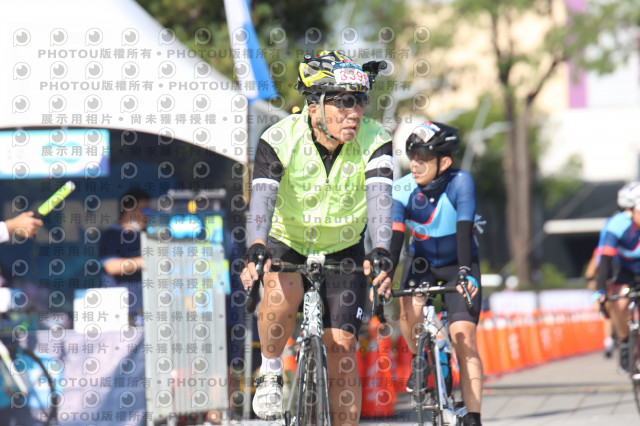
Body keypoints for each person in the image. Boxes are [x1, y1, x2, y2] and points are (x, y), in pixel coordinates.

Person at [240, 50, 393, 425]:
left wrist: (381, 249)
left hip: (344, 246)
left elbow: (380, 200)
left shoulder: (375, 139)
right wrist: (256, 245)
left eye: (360, 100)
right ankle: (271, 370)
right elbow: (262, 198)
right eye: (343, 102)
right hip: (287, 239)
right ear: (314, 107)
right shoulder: (280, 138)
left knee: (342, 350)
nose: (354, 112)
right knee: (281, 295)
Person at [390, 122, 483, 426]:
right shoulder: (402, 188)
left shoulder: (461, 182)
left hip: (459, 263)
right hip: (421, 264)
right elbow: (395, 238)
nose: (414, 165)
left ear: (444, 162)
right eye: (412, 158)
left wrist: (465, 273)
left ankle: (473, 416)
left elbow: (464, 229)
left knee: (464, 337)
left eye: (423, 159)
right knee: (409, 308)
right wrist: (385, 275)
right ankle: (421, 359)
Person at [594, 181, 640, 373]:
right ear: (631, 210)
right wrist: (601, 291)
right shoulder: (616, 225)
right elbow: (604, 260)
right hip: (625, 270)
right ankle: (625, 343)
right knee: (620, 302)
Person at [99, 189, 151, 326]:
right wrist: (147, 261)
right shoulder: (112, 234)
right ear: (128, 209)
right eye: (144, 210)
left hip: (145, 309)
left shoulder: (145, 234)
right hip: (121, 311)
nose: (147, 215)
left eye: (149, 211)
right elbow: (111, 266)